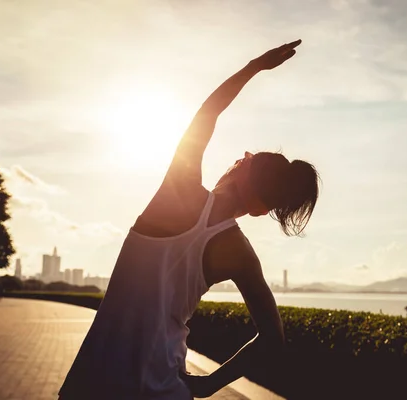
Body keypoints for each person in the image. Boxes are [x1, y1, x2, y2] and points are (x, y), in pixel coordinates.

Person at [59, 39, 320, 399]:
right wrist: (209, 385)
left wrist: (254, 66)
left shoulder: (179, 194)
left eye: (248, 157)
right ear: (262, 209)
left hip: (93, 383)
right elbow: (273, 337)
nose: (241, 155)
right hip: (164, 388)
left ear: (244, 171)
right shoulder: (240, 252)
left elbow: (206, 113)